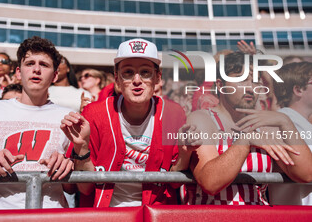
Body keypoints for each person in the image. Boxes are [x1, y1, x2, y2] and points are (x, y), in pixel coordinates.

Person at [61, 38, 185, 207]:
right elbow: (85, 188)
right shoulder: (95, 113)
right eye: (128, 72)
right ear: (117, 79)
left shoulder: (174, 113)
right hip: (106, 215)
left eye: (145, 72)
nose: (137, 80)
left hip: (155, 214)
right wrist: (81, 148)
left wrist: (186, 152)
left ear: (157, 78)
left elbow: (175, 183)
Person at [175, 52, 312, 205]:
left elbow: (306, 174)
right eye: (241, 80)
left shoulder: (265, 125)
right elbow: (211, 182)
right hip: (213, 215)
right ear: (221, 85)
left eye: (255, 82)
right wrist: (245, 141)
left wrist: (285, 121)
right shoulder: (202, 119)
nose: (250, 88)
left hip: (259, 216)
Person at [0, 36, 74, 210]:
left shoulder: (67, 117)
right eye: (30, 64)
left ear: (55, 75)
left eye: (44, 65)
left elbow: (72, 189)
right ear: (18, 73)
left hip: (50, 215)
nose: (36, 70)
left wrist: (69, 167)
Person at [269, 62, 312, 205]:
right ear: (298, 90)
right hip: (297, 213)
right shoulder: (278, 124)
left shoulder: (301, 122)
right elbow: (306, 172)